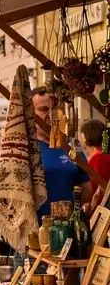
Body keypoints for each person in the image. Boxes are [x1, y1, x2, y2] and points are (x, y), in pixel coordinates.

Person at [31, 88, 90, 217]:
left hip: (70, 230)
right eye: (44, 109)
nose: (51, 115)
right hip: (37, 230)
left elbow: (86, 192)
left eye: (55, 109)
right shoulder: (27, 149)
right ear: (31, 113)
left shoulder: (73, 146)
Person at [80, 119, 110, 210]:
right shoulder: (103, 157)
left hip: (99, 210)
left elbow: (99, 192)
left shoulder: (98, 159)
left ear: (85, 137)